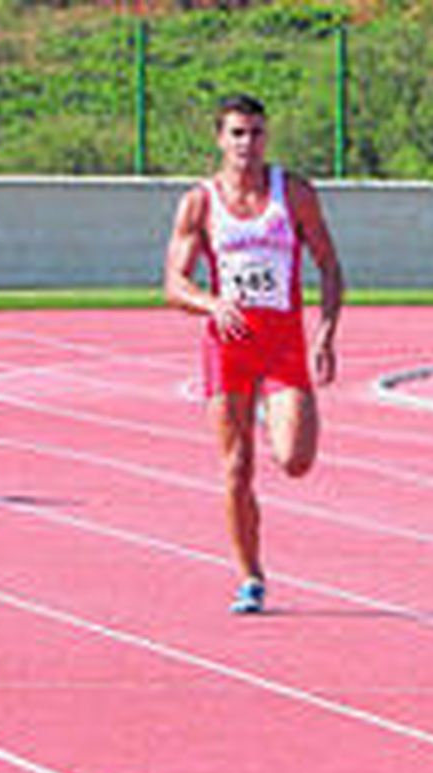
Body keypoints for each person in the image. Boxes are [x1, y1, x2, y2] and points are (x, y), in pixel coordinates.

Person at [162, 93, 345, 614]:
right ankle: (250, 577)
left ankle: (273, 408)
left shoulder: (296, 194)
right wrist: (211, 302)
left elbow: (330, 267)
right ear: (220, 139)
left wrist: (326, 334)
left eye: (256, 133)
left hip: (284, 344)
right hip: (229, 346)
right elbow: (173, 284)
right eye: (237, 134)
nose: (248, 143)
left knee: (295, 461)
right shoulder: (199, 202)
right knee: (236, 467)